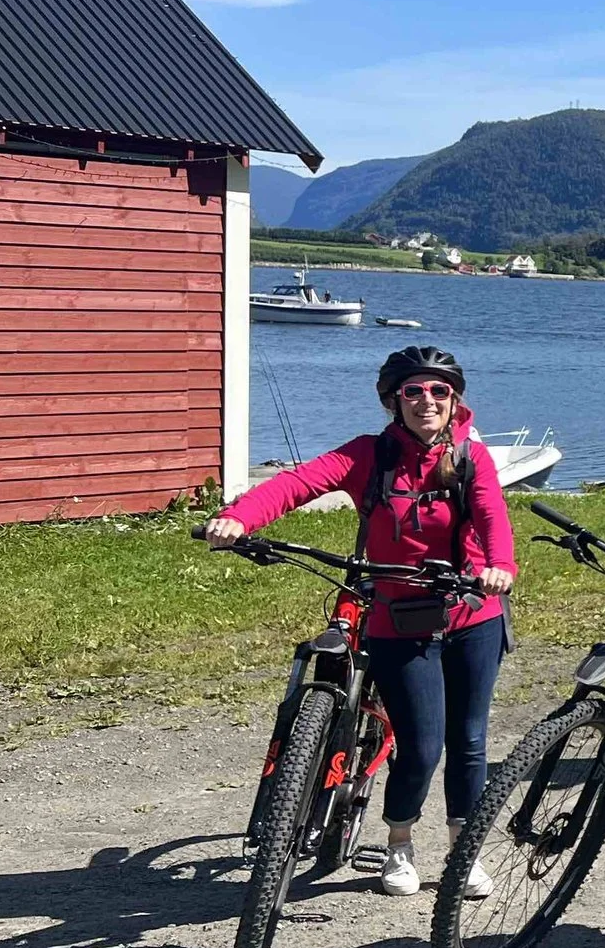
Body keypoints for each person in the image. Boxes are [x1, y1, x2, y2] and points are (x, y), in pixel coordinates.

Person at [203, 345, 518, 899]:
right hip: (399, 621)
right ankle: (400, 844)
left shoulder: (472, 457)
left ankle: (463, 852)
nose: (426, 400)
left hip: (472, 614)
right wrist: (238, 517)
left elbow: (492, 514)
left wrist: (500, 567)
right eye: (413, 391)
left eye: (439, 391)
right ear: (394, 400)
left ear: (454, 401)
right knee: (420, 747)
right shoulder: (369, 455)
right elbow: (296, 484)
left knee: (468, 741)